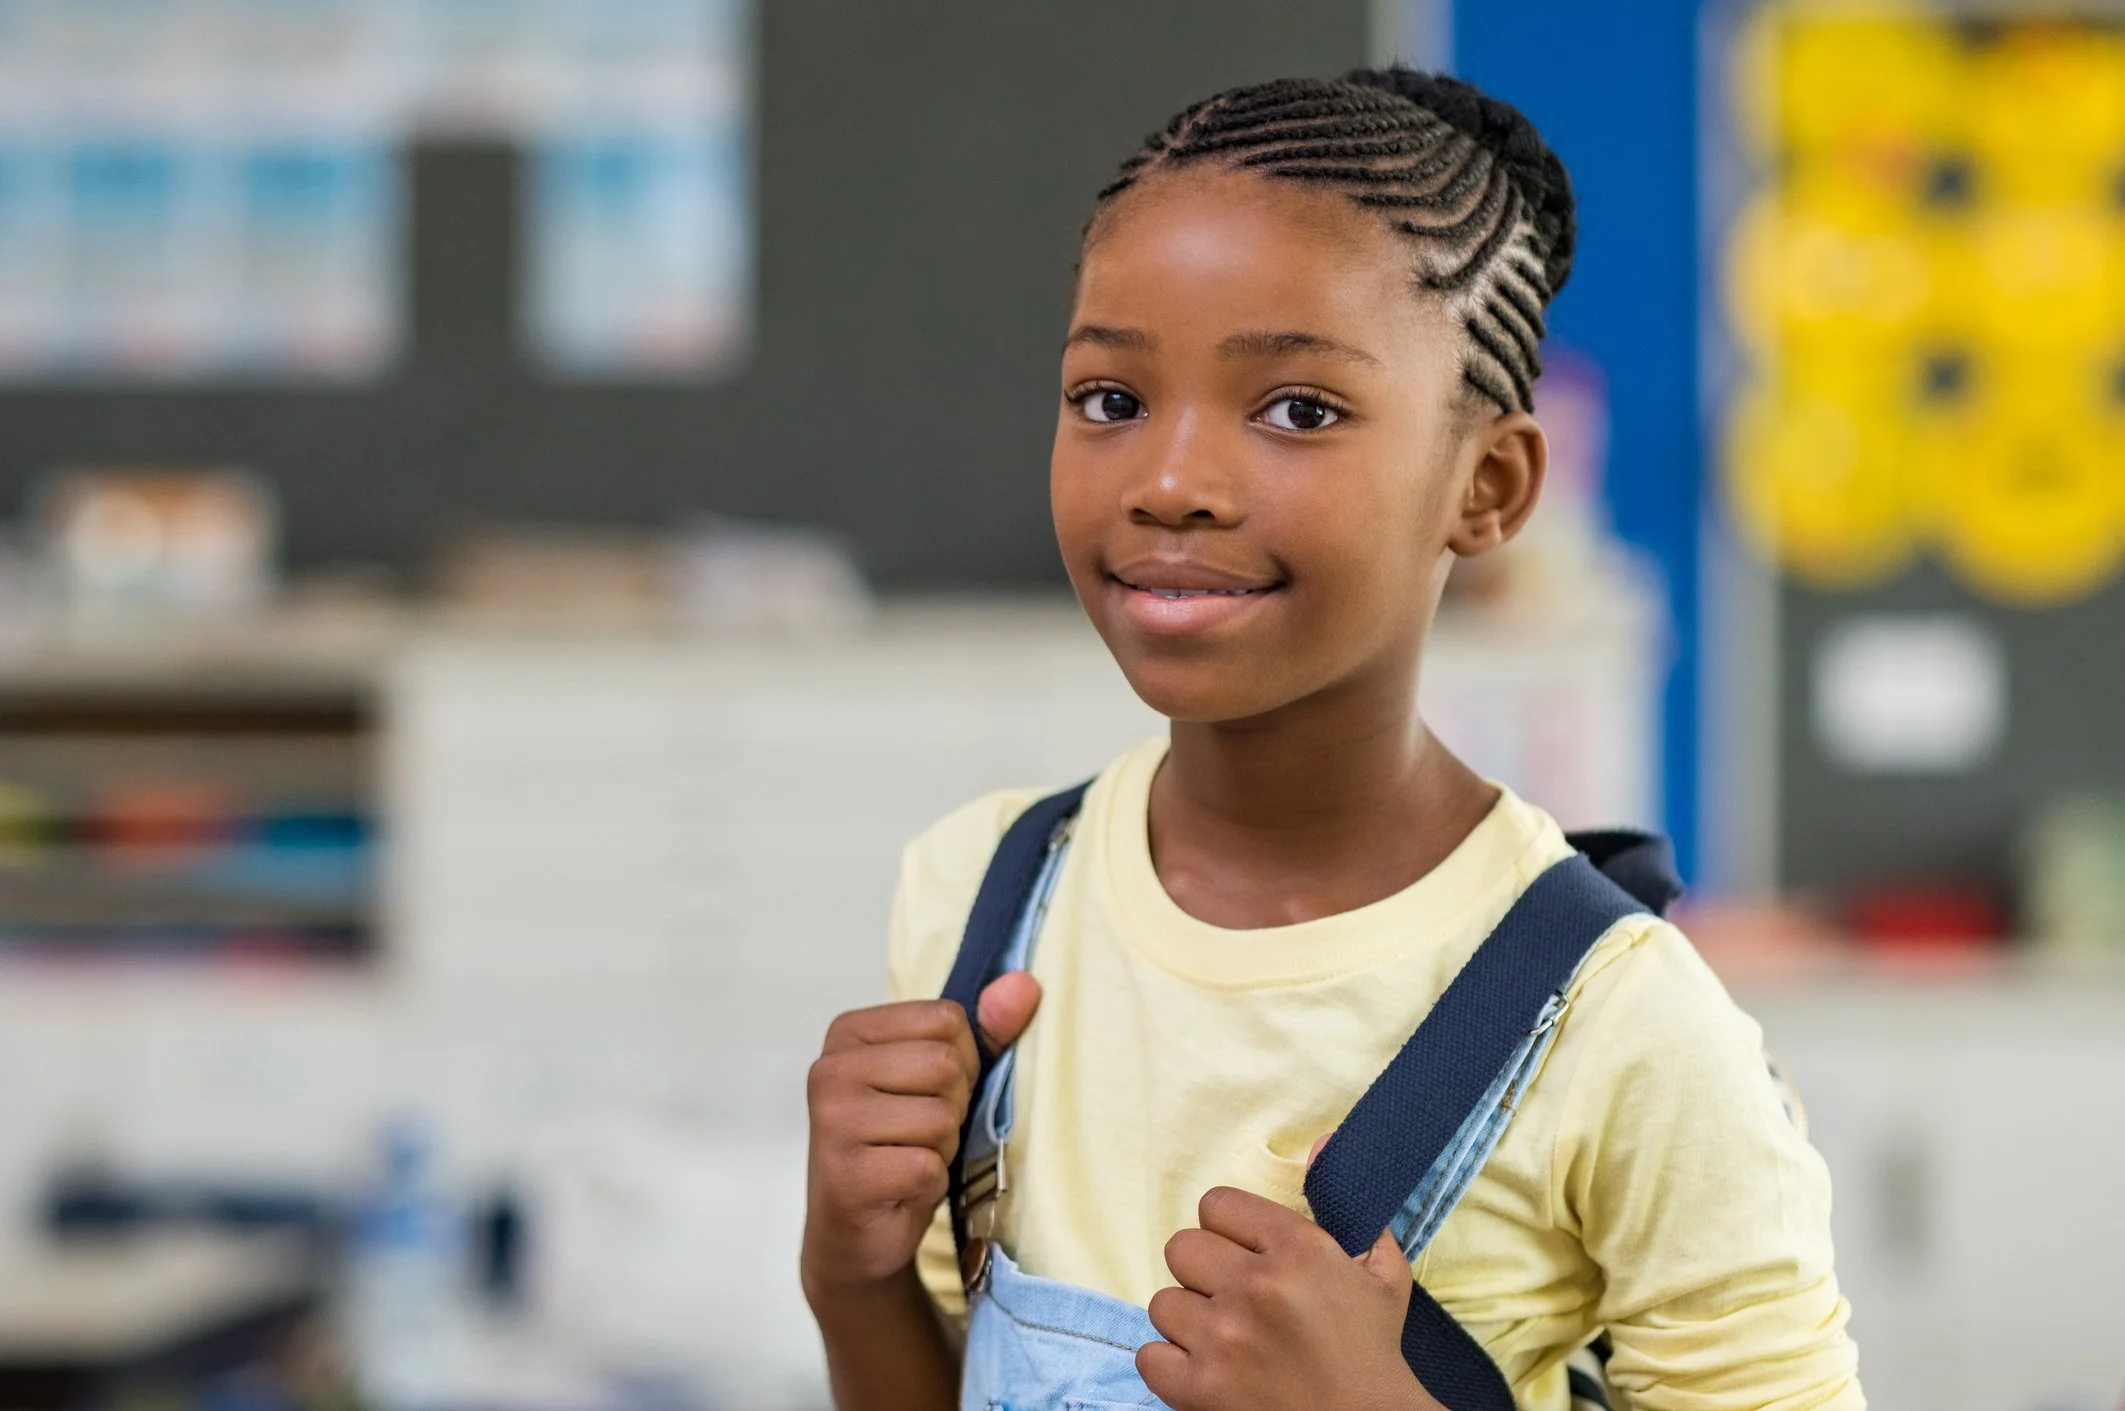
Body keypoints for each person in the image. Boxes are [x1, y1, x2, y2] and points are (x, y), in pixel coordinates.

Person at [801, 68, 1863, 1411]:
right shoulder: (984, 900)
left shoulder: (1631, 1030)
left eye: (1297, 409)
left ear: (1487, 487)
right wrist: (853, 1277)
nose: (1171, 480)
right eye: (1110, 399)